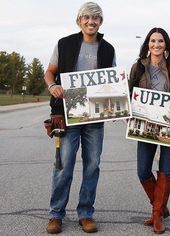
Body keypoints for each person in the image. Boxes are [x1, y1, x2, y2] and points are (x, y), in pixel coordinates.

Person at [44, 2, 116, 234]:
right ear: (79, 21)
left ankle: (86, 213)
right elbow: (49, 72)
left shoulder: (108, 49)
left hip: (95, 117)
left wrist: (117, 106)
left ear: (100, 22)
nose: (91, 22)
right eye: (86, 18)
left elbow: (111, 83)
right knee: (63, 166)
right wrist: (52, 85)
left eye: (95, 18)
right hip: (67, 114)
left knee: (92, 166)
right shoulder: (64, 44)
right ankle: (56, 214)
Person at [129, 27, 170, 234]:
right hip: (145, 127)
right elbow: (129, 95)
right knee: (142, 171)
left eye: (160, 41)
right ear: (147, 44)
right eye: (153, 41)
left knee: (165, 170)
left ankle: (157, 215)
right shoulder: (138, 67)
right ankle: (160, 208)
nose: (156, 45)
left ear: (166, 45)